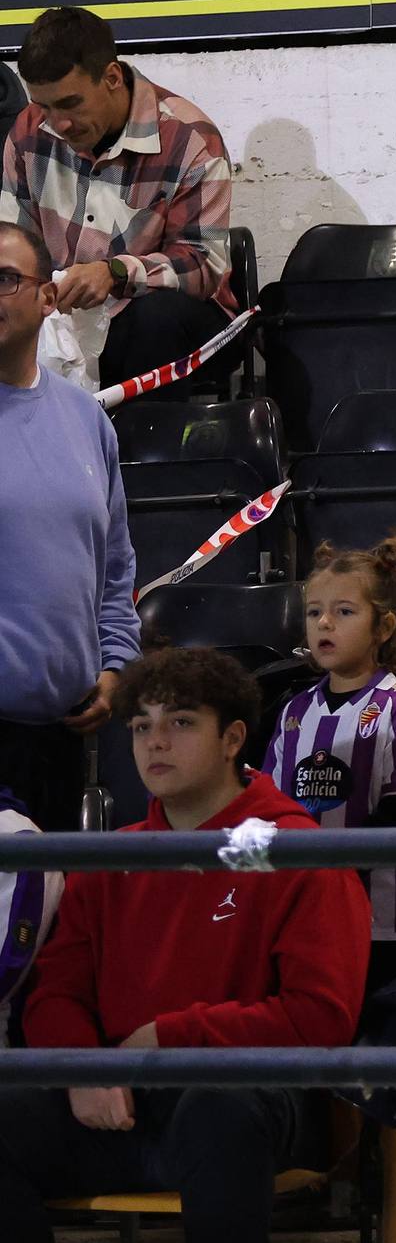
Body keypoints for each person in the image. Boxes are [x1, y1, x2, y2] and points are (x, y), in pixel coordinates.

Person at [0, 646, 366, 1243]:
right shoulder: (116, 857)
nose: (155, 742)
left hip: (256, 1104)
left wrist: (169, 1036)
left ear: (233, 738)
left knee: (217, 1108)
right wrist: (83, 1068)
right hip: (125, 1101)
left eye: (181, 723)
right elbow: (55, 992)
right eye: (141, 726)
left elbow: (319, 1016)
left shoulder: (293, 847)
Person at [3, 6, 236, 387]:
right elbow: (13, 244)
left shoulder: (190, 139)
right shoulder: (28, 131)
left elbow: (202, 267)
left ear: (112, 77)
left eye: (70, 103)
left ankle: (137, 428)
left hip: (160, 319)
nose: (58, 123)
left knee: (153, 320)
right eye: (44, 106)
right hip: (63, 317)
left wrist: (115, 273)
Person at [0, 223, 133, 831]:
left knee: (49, 894)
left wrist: (115, 665)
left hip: (60, 739)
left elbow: (114, 570)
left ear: (47, 297)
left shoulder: (86, 419)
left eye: (6, 279)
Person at [270, 538, 396, 991]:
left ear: (383, 627)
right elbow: (272, 806)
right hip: (303, 914)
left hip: (380, 924)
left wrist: (337, 866)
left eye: (344, 612)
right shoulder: (294, 713)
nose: (324, 622)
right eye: (313, 612)